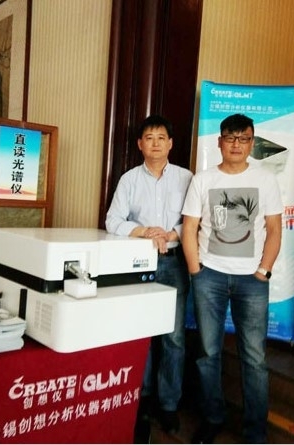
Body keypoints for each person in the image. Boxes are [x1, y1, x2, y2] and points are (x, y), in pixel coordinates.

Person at [181, 113, 283, 444]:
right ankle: (212, 418)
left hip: (252, 281)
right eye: (230, 137)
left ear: (252, 143)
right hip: (209, 276)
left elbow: (274, 229)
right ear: (220, 141)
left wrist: (264, 270)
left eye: (244, 139)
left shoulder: (266, 179)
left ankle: (255, 432)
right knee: (208, 353)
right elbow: (190, 228)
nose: (236, 144)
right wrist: (196, 271)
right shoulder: (203, 179)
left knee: (254, 358)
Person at [105, 114, 193, 440]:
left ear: (170, 143)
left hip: (174, 263)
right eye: (149, 138)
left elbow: (196, 220)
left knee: (174, 337)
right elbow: (113, 220)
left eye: (161, 137)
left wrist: (170, 234)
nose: (155, 143)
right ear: (140, 144)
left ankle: (168, 405)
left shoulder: (187, 178)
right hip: (138, 264)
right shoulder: (129, 179)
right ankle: (140, 401)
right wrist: (145, 231)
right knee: (140, 333)